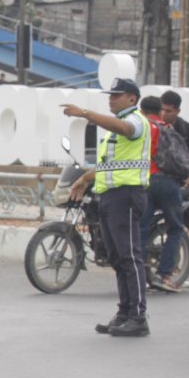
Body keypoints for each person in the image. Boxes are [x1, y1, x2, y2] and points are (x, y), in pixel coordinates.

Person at [61, 77, 152, 337]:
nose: (111, 99)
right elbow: (109, 165)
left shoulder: (136, 120)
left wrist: (86, 113)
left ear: (132, 98)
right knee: (116, 256)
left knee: (129, 257)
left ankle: (138, 316)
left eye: (116, 95)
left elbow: (126, 129)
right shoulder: (115, 128)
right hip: (111, 196)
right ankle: (124, 313)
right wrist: (84, 179)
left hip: (127, 196)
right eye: (110, 95)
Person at [138, 96, 185, 292]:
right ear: (159, 111)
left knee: (142, 228)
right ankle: (163, 275)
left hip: (143, 182)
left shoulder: (138, 128)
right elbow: (179, 157)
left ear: (141, 110)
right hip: (165, 182)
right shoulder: (166, 128)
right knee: (175, 229)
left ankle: (137, 275)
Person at [160, 90, 189, 188]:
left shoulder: (186, 128)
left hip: (180, 178)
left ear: (178, 111)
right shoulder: (153, 126)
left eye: (168, 111)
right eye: (162, 109)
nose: (163, 114)